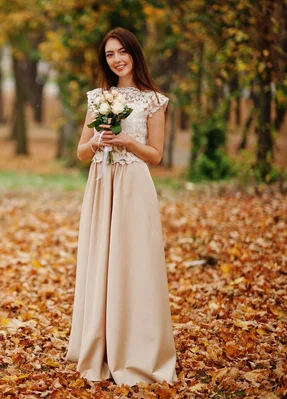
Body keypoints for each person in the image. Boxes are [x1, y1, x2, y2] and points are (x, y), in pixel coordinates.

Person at [65, 27, 178, 386]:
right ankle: (99, 344)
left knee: (134, 263)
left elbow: (156, 156)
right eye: (110, 54)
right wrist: (98, 140)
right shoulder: (98, 97)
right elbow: (81, 152)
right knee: (101, 259)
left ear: (134, 53)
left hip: (133, 186)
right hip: (101, 185)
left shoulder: (154, 100)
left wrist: (127, 141)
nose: (116, 59)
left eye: (121, 52)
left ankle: (137, 349)